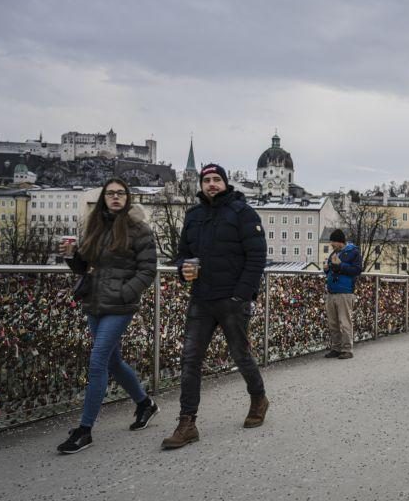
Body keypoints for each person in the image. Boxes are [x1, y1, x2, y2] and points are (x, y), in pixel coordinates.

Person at [162, 163, 269, 450]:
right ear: (201, 184)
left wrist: (241, 295)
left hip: (232, 299)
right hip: (201, 297)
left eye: (216, 179)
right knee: (190, 359)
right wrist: (182, 268)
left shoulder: (242, 212)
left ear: (225, 182)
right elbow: (183, 253)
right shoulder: (193, 215)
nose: (211, 184)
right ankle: (187, 423)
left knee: (240, 354)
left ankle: (258, 398)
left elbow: (257, 257)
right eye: (206, 180)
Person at [57, 178, 158, 454]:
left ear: (127, 198)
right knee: (113, 362)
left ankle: (84, 430)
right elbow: (84, 266)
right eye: (110, 193)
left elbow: (148, 270)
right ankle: (144, 403)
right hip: (95, 302)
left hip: (120, 306)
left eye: (120, 193)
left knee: (98, 360)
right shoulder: (95, 226)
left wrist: (127, 293)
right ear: (104, 197)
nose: (115, 197)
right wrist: (70, 256)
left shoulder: (139, 229)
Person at [324, 229, 363, 360]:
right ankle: (336, 348)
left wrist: (341, 265)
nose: (331, 245)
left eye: (333, 242)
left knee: (344, 322)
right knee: (333, 322)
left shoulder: (354, 252)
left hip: (345, 292)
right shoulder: (334, 253)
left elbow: (357, 270)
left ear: (340, 242)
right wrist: (327, 269)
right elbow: (332, 268)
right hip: (331, 292)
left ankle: (347, 349)